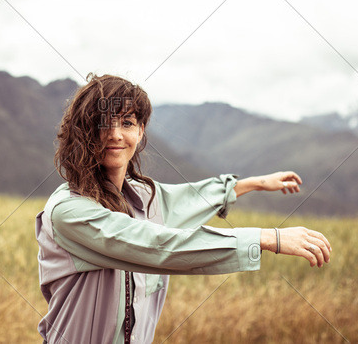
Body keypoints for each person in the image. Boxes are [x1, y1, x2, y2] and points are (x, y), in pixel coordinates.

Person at [35, 73, 331, 343]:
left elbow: (188, 198)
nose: (115, 134)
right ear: (84, 132)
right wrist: (267, 239)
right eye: (104, 123)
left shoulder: (143, 197)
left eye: (127, 123)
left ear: (140, 132)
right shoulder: (69, 212)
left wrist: (251, 184)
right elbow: (157, 245)